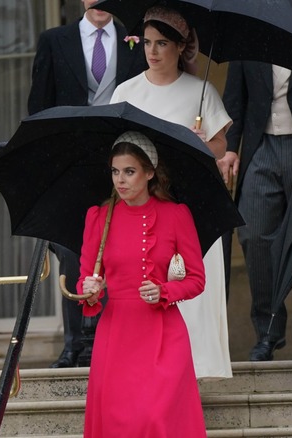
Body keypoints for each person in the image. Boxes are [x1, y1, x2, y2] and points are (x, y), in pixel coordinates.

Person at [110, 5, 233, 380]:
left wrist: (199, 143)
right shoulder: (125, 92)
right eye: (147, 42)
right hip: (142, 205)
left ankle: (196, 367)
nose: (153, 51)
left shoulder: (201, 92)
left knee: (187, 281)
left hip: (187, 204)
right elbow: (114, 147)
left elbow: (219, 145)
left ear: (180, 46)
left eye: (162, 43)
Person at [27, 0, 146, 368]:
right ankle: (74, 342)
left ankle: (109, 340)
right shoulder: (54, 40)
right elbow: (38, 109)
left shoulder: (136, 41)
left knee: (119, 248)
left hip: (121, 160)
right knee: (72, 251)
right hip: (70, 163)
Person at [220, 1, 292, 362]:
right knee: (254, 235)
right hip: (261, 147)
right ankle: (267, 331)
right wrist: (230, 148)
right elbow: (235, 97)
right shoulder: (248, 28)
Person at [79, 131, 207, 437]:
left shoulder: (176, 215)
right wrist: (91, 291)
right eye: (115, 171)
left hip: (164, 333)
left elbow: (196, 279)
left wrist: (164, 291)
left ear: (150, 173)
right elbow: (86, 282)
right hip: (117, 334)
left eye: (130, 171)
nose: (120, 180)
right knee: (118, 423)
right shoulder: (99, 217)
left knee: (155, 418)